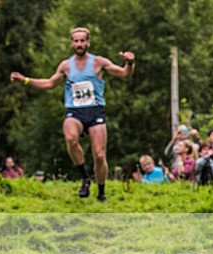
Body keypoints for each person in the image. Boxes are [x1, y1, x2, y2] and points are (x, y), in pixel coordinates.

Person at [10, 27, 135, 202]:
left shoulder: (98, 62)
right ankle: (85, 178)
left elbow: (124, 74)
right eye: (76, 41)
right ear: (71, 43)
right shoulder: (66, 66)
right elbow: (49, 83)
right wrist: (26, 80)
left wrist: (129, 63)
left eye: (82, 40)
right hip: (75, 111)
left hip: (95, 110)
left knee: (99, 155)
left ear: (88, 43)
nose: (79, 44)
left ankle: (101, 192)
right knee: (70, 138)